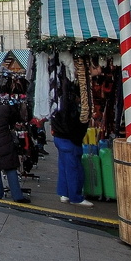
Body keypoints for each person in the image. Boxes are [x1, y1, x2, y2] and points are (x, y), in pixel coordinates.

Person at [51, 79, 92, 208]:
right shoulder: (71, 107)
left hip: (59, 137)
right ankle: (75, 197)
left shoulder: (57, 101)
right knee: (74, 169)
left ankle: (64, 193)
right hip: (69, 139)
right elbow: (73, 125)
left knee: (64, 167)